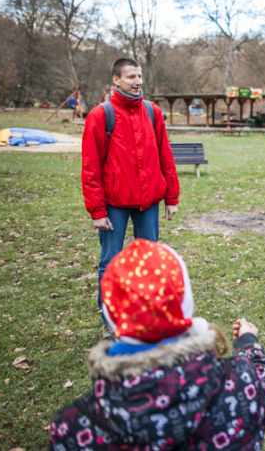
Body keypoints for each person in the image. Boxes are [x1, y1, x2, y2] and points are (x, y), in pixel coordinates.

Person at [49, 239, 265, 450]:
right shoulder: (242, 385)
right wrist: (248, 343)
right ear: (185, 302)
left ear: (111, 312)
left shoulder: (73, 428)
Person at [82, 57, 180, 338]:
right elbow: (91, 166)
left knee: (149, 261)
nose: (138, 82)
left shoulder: (152, 112)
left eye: (139, 76)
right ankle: (110, 320)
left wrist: (171, 196)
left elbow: (165, 156)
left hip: (148, 202)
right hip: (113, 204)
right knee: (110, 261)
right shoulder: (101, 116)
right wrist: (97, 210)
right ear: (116, 79)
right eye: (131, 77)